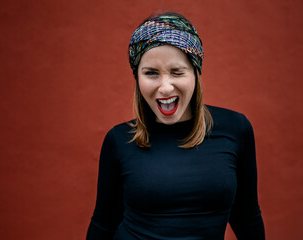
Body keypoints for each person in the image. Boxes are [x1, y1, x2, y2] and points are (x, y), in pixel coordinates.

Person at [86, 12, 265, 240]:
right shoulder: (119, 140)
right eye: (151, 73)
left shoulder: (236, 129)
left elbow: (247, 218)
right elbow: (103, 224)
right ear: (138, 77)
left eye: (177, 72)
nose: (165, 87)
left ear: (195, 73)